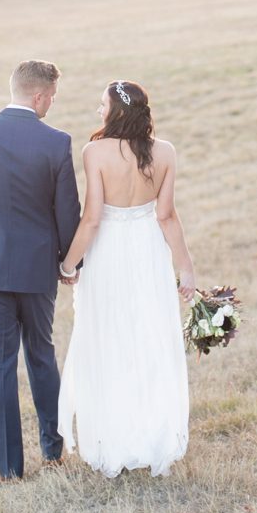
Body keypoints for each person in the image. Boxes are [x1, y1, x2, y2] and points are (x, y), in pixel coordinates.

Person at [0, 59, 80, 483]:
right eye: (52, 97)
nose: (52, 104)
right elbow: (67, 210)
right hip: (37, 268)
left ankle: (8, 469)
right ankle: (54, 452)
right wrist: (69, 261)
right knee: (41, 354)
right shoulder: (56, 142)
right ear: (39, 96)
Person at [55, 78, 193, 478]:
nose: (98, 111)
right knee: (149, 337)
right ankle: (152, 437)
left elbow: (92, 218)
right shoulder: (164, 152)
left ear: (115, 111)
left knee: (108, 336)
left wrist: (68, 265)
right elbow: (166, 215)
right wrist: (185, 267)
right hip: (149, 250)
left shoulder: (95, 152)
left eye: (102, 105)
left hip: (109, 253)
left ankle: (111, 441)